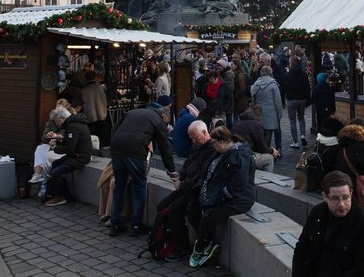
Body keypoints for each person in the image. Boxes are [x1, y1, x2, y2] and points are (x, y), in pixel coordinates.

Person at [187, 126, 255, 267]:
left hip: (237, 200)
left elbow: (238, 184)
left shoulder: (239, 155)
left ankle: (201, 248)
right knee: (192, 209)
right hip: (218, 195)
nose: (213, 147)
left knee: (209, 218)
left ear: (222, 141)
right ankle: (207, 243)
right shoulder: (222, 153)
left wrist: (217, 199)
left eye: (214, 143)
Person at [291, 171, 364, 277]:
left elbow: (363, 269)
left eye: (345, 197)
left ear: (351, 193)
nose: (341, 204)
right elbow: (302, 248)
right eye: (335, 198)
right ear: (324, 196)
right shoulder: (318, 213)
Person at [109, 103, 176, 237]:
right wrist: (171, 170)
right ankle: (136, 225)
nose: (166, 125)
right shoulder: (158, 120)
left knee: (119, 184)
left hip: (116, 146)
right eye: (166, 122)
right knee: (140, 185)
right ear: (164, 116)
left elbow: (116, 128)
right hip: (135, 150)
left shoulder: (134, 112)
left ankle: (115, 224)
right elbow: (164, 147)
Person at [157, 120, 218, 262]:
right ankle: (169, 240)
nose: (193, 140)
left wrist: (182, 184)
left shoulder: (212, 149)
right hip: (187, 186)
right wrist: (179, 175)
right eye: (191, 138)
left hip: (196, 190)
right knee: (162, 207)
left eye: (194, 137)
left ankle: (182, 248)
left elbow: (201, 176)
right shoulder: (197, 145)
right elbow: (187, 165)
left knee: (174, 210)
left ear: (204, 133)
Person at [43, 106, 93, 206]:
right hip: (76, 155)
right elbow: (71, 143)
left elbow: (70, 148)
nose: (57, 124)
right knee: (56, 164)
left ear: (62, 118)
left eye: (56, 121)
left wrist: (55, 148)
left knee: (56, 172)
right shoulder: (74, 125)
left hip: (79, 157)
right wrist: (60, 141)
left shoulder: (73, 127)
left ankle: (60, 197)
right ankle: (66, 195)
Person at [232, 106, 280, 172]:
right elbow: (262, 148)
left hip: (235, 153)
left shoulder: (237, 123)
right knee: (269, 159)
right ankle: (266, 180)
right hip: (246, 155)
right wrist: (272, 150)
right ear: (260, 116)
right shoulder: (256, 125)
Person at [250, 66, 283, 151]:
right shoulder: (273, 85)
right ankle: (266, 153)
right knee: (268, 136)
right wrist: (280, 114)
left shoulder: (256, 85)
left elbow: (253, 101)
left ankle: (261, 152)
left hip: (258, 115)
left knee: (260, 136)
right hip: (271, 115)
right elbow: (278, 101)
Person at [286, 56, 311, 148]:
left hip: (291, 99)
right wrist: (308, 99)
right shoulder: (304, 74)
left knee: (292, 121)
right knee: (301, 118)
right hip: (302, 99)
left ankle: (295, 142)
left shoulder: (288, 75)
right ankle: (303, 135)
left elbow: (285, 87)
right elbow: (308, 88)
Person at [80, 70, 109, 147]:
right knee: (102, 137)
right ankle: (103, 151)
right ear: (95, 77)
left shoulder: (84, 90)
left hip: (90, 117)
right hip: (102, 115)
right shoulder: (101, 88)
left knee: (93, 139)